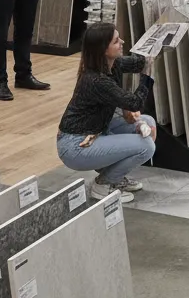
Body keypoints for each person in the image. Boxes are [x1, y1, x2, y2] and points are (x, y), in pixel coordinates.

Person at [56, 22, 156, 203]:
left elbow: (140, 62)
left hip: (96, 131)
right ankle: (104, 185)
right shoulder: (96, 80)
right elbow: (135, 102)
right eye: (116, 41)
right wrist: (148, 77)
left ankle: (114, 176)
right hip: (76, 146)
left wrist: (159, 44)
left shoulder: (112, 64)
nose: (122, 42)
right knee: (146, 146)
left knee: (148, 123)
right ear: (103, 49)